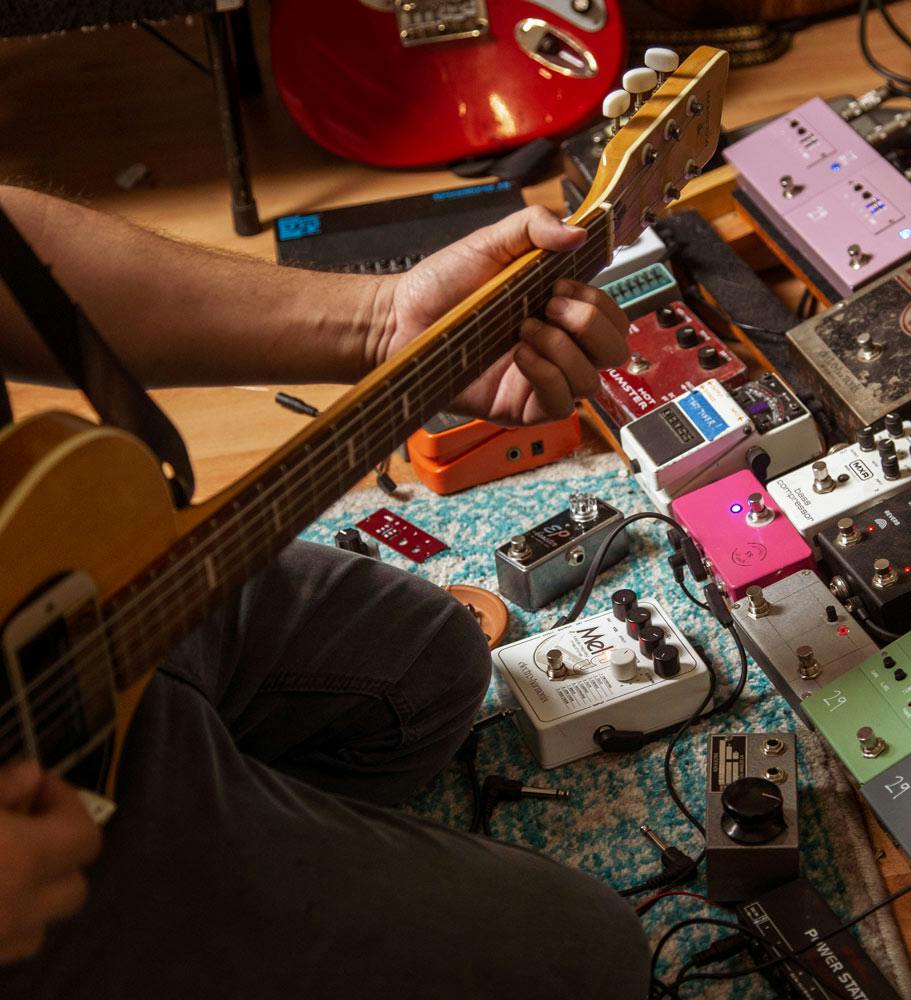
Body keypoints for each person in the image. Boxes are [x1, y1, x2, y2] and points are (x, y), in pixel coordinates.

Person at [0, 186, 650, 996]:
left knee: (437, 666)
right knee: (588, 962)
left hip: (49, 584)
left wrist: (383, 319)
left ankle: (233, 834)